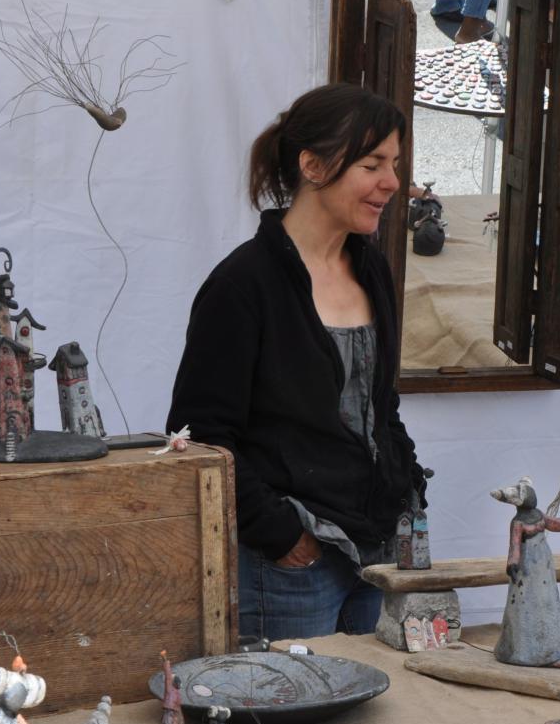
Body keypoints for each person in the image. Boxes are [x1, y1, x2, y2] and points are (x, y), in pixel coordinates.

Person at [167, 83, 428, 640]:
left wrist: (407, 488)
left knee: (379, 696)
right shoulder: (243, 285)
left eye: (394, 164)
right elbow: (200, 434)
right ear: (312, 166)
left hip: (377, 547)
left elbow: (380, 405)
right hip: (292, 566)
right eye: (372, 164)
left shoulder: (372, 270)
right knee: (293, 697)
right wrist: (283, 536)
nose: (391, 182)